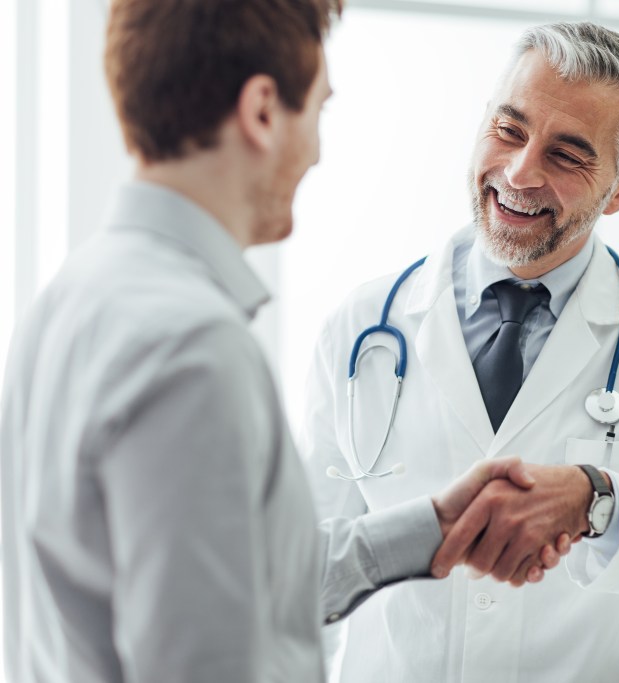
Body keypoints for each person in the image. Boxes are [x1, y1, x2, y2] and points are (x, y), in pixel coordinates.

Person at [0, 2, 567, 682]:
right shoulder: (192, 348)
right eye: (318, 111)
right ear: (263, 110)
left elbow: (237, 578)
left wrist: (433, 526)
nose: (318, 151)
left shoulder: (77, 292)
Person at [302, 21, 619, 683]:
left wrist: (596, 499)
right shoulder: (361, 326)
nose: (521, 171)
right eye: (509, 129)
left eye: (568, 154)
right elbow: (303, 568)